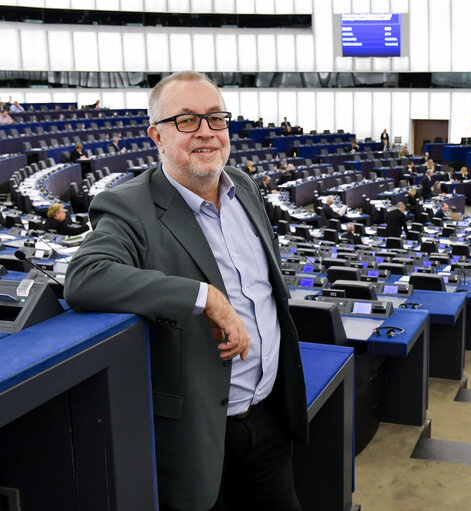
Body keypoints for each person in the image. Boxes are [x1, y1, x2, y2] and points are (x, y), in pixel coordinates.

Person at [64, 71, 308, 511]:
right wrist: (205, 296)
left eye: (216, 119)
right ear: (156, 135)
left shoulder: (244, 187)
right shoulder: (129, 205)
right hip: (200, 434)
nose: (206, 133)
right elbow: (85, 276)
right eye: (187, 121)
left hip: (270, 417)